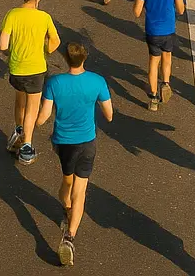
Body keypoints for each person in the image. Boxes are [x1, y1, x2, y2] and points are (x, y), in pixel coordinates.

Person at [37, 43, 114, 267]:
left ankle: (67, 211)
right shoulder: (97, 81)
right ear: (84, 58)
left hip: (63, 143)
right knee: (80, 191)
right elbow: (109, 115)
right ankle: (69, 236)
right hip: (87, 142)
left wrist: (28, 127)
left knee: (66, 184)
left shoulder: (55, 83)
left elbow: (43, 116)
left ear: (66, 59)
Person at [0, 0, 60, 166]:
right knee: (33, 107)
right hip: (36, 68)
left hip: (17, 68)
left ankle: (19, 129)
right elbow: (55, 41)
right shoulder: (44, 17)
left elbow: (3, 44)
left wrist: (9, 54)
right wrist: (46, 50)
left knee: (20, 101)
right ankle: (27, 144)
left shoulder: (12, 14)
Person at [133, 0, 186, 110]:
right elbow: (181, 10)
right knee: (167, 58)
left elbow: (136, 12)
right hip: (168, 28)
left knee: (153, 62)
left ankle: (154, 97)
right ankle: (166, 83)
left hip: (152, 30)